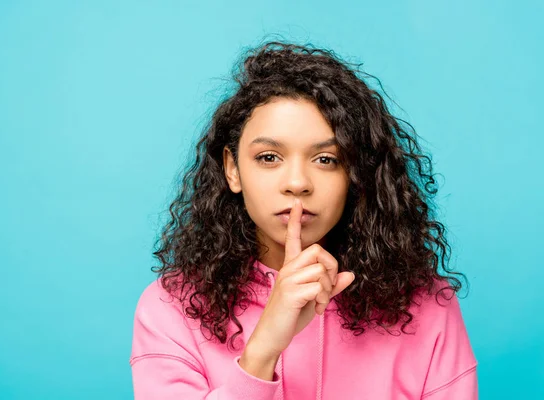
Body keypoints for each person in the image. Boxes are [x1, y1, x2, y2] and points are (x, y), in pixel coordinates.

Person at [130, 40, 478, 399]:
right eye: (268, 157)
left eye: (326, 159)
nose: (297, 183)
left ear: (355, 174)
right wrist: (262, 350)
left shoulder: (427, 306)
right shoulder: (170, 309)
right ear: (233, 170)